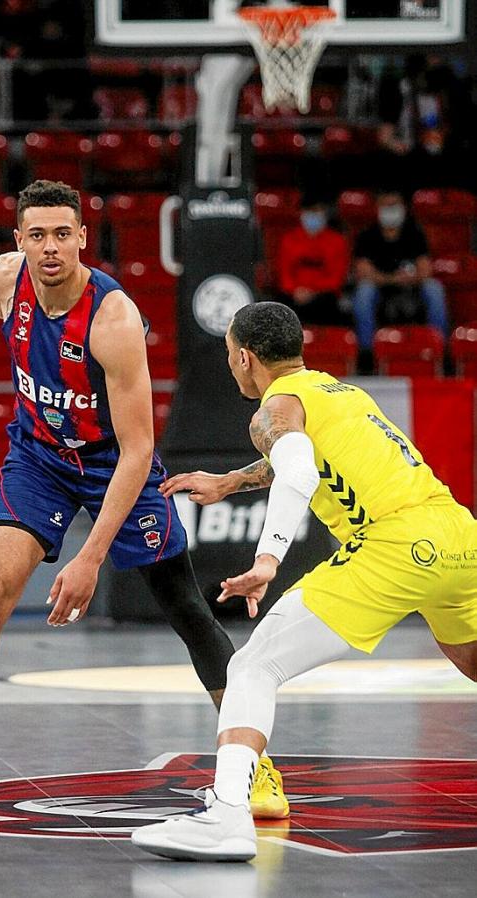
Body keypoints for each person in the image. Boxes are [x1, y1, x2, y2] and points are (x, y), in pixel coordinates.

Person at [0, 180, 287, 828]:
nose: (49, 247)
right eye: (37, 235)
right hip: (40, 458)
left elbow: (138, 453)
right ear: (19, 241)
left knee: (187, 609)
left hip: (113, 464)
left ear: (82, 238)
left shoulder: (112, 320)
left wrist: (89, 558)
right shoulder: (9, 279)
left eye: (61, 234)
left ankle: (253, 760)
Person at [131, 301, 477, 861]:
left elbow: (297, 469)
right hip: (460, 535)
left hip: (395, 547)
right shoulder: (339, 393)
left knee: (252, 666)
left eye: (228, 356)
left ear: (244, 357)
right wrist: (230, 482)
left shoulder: (271, 408)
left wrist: (267, 560)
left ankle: (225, 816)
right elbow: (295, 456)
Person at [351, 190, 448, 366]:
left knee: (434, 288)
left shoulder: (414, 233)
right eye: (385, 206)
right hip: (380, 290)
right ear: (377, 208)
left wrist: (411, 278)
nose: (390, 210)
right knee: (364, 291)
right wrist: (392, 278)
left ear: (403, 208)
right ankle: (366, 354)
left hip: (412, 288)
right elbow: (363, 272)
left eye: (394, 205)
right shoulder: (367, 235)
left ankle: (441, 348)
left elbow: (425, 270)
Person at [276, 198, 350, 326]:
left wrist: (312, 291)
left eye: (317, 211)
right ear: (301, 213)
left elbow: (336, 279)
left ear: (325, 213)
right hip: (294, 295)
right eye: (309, 211)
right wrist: (296, 290)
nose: (312, 215)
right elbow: (284, 275)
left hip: (323, 296)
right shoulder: (289, 239)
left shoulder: (337, 241)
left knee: (328, 302)